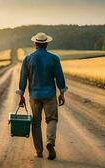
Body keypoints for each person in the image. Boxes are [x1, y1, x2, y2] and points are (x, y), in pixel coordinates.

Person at [16, 32, 68, 160]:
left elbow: (23, 79)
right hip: (50, 95)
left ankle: (39, 151)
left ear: (35, 44)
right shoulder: (54, 58)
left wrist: (21, 95)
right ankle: (50, 142)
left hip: (34, 95)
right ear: (46, 44)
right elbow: (59, 77)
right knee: (51, 119)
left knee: (36, 122)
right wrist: (62, 92)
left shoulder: (27, 59)